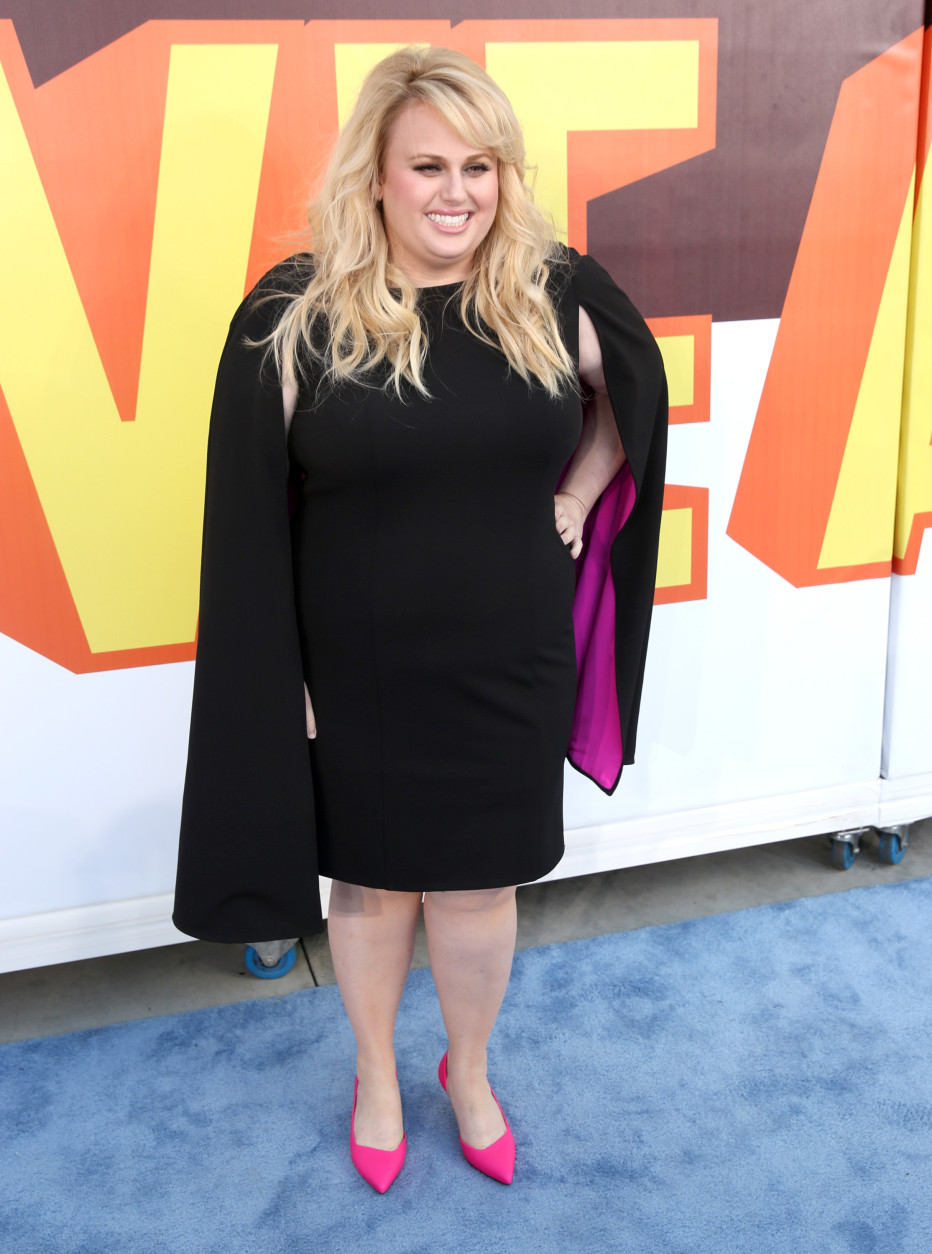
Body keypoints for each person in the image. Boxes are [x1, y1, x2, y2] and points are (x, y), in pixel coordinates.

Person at [173, 46, 667, 1193]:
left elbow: (628, 403)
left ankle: (471, 1070)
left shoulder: (552, 294)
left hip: (509, 652)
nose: (457, 192)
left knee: (479, 883)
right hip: (358, 666)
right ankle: (376, 1076)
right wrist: (276, 670)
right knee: (374, 884)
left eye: (479, 167)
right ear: (377, 176)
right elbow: (244, 519)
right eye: (429, 165)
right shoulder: (294, 316)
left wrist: (581, 496)